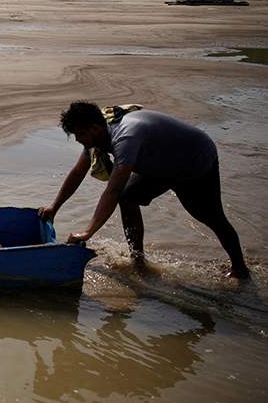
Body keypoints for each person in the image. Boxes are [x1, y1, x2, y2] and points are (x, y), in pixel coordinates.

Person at [38, 101, 249, 279]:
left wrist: (88, 232)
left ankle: (240, 269)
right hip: (161, 163)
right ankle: (138, 260)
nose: (78, 140)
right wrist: (54, 207)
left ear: (94, 128)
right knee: (128, 197)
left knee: (211, 217)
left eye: (80, 134)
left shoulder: (125, 138)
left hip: (194, 160)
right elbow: (77, 173)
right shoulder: (100, 134)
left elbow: (112, 190)